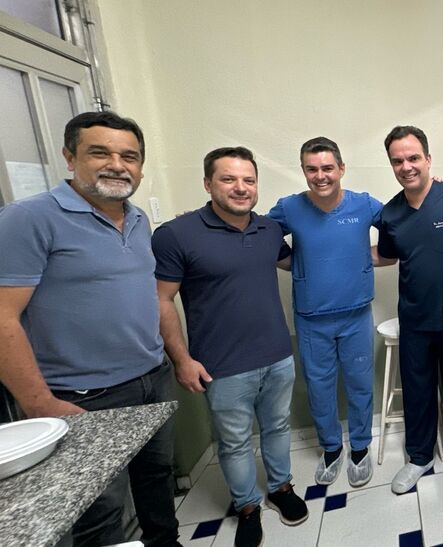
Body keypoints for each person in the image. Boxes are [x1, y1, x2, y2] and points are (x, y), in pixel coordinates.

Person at [0, 111, 180, 546]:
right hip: (83, 396)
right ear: (70, 157)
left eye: (129, 156)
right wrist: (40, 402)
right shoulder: (28, 218)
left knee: (158, 480)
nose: (117, 165)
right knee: (99, 509)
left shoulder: (138, 220)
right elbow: (3, 317)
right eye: (100, 153)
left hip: (151, 379)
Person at [153, 147, 308, 547]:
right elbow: (162, 299)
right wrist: (181, 359)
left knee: (277, 427)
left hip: (277, 355)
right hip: (221, 365)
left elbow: (297, 261)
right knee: (235, 442)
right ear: (208, 184)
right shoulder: (176, 234)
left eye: (248, 180)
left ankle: (281, 488)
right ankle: (247, 507)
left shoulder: (269, 230)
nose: (241, 187)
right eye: (228, 179)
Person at [267, 137, 395, 488]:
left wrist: (434, 190)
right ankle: (331, 448)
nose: (320, 175)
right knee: (319, 387)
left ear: (341, 169)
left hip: (356, 314)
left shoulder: (363, 204)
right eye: (312, 169)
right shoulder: (289, 208)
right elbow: (258, 235)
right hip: (311, 317)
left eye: (327, 168)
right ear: (303, 171)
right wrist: (296, 264)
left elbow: (400, 224)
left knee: (359, 384)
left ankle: (359, 448)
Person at [377, 126, 443, 493]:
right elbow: (387, 256)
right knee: (418, 391)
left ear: (428, 159)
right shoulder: (390, 214)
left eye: (413, 158)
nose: (406, 166)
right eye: (398, 161)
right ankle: (419, 457)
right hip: (415, 319)